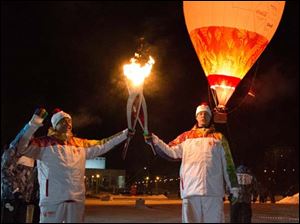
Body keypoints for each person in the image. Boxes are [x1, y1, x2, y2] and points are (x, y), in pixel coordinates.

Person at [12, 107, 131, 223]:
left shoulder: (80, 144)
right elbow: (20, 146)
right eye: (63, 121)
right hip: (53, 201)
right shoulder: (44, 143)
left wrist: (125, 134)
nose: (68, 124)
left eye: (69, 121)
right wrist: (34, 123)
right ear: (55, 125)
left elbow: (104, 143)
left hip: (76, 200)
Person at [144, 103, 239, 223]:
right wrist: (154, 140)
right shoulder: (186, 137)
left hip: (213, 192)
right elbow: (170, 152)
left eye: (206, 114)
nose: (203, 116)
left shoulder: (219, 138)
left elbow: (228, 164)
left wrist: (234, 187)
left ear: (210, 117)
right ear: (196, 117)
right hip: (190, 190)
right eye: (200, 114)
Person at [1, 144, 40, 223]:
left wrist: (32, 195)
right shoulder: (12, 152)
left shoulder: (33, 156)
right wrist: (15, 190)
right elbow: (5, 171)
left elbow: (32, 177)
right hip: (10, 198)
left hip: (24, 200)